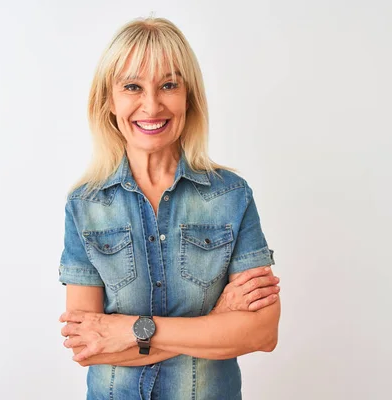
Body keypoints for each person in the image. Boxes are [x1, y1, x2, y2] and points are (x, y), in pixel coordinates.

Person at [58, 16, 281, 400]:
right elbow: (86, 346)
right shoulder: (85, 204)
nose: (151, 104)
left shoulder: (231, 196)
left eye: (168, 85)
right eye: (132, 86)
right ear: (109, 101)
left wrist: (130, 332)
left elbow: (262, 332)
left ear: (188, 96)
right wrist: (215, 324)